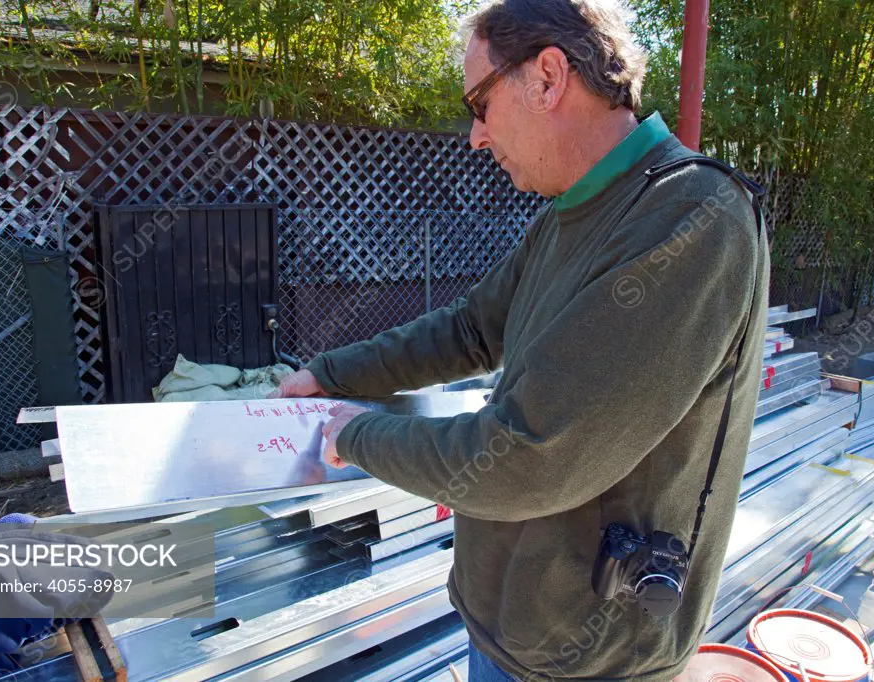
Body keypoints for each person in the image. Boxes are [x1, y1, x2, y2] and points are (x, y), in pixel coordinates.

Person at [270, 1, 769, 679]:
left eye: (480, 102)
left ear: (548, 76)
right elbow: (474, 328)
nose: (475, 135)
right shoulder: (575, 211)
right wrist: (333, 374)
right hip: (505, 625)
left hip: (592, 660)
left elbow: (527, 458)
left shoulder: (692, 220)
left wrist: (354, 434)